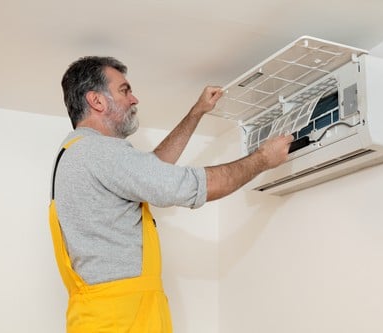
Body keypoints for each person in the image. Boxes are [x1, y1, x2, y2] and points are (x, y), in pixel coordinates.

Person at [49, 56, 293, 333]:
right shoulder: (100, 152)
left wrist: (196, 113)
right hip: (122, 319)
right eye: (124, 90)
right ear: (97, 101)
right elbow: (189, 185)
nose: (134, 99)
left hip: (104, 316)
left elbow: (152, 171)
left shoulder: (76, 152)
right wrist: (263, 158)